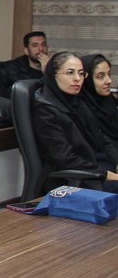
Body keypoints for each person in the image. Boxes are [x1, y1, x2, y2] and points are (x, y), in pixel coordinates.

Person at [32, 52, 118, 194]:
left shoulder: (77, 102)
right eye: (70, 73)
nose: (77, 78)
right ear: (54, 75)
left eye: (81, 73)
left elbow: (102, 139)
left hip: (99, 168)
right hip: (76, 178)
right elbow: (65, 158)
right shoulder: (45, 110)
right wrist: (108, 175)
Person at [80, 54, 118, 162]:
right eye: (101, 76)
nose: (109, 81)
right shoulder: (81, 108)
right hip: (100, 162)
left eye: (109, 74)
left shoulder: (109, 101)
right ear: (87, 79)